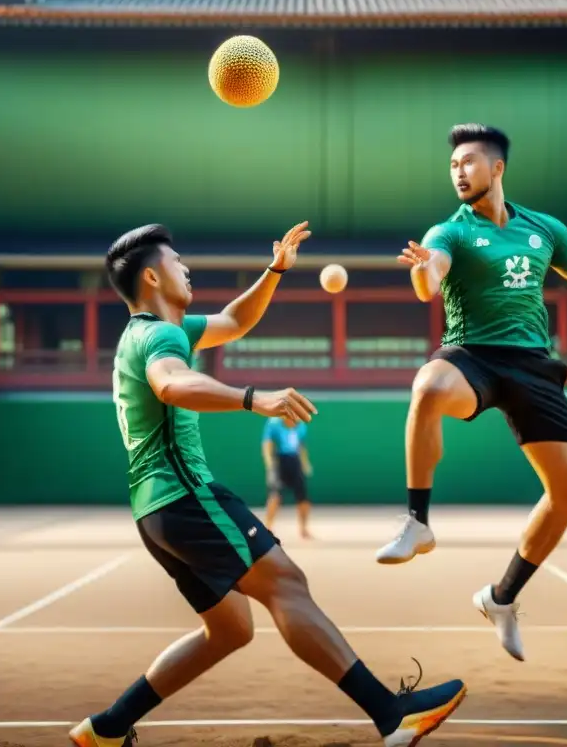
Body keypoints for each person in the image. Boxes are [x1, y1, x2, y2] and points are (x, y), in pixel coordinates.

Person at [69, 222, 466, 747]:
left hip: (154, 511)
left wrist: (274, 270)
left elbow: (235, 320)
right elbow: (170, 383)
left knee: (230, 630)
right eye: (176, 261)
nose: (185, 268)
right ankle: (391, 715)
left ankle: (108, 727)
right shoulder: (161, 336)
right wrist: (252, 397)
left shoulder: (153, 331)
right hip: (185, 494)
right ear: (150, 276)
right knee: (287, 583)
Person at [375, 124, 567, 662]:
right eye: (453, 164)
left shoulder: (544, 230)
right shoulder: (447, 233)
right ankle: (417, 522)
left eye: (469, 162)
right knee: (428, 386)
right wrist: (425, 273)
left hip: (533, 365)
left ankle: (501, 598)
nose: (458, 171)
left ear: (497, 169)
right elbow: (430, 281)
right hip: (471, 355)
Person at [262, 415, 314, 539]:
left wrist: (305, 464)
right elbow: (267, 443)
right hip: (279, 461)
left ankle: (304, 529)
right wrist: (269, 463)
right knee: (275, 495)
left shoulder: (301, 425)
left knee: (303, 497)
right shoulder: (273, 423)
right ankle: (267, 528)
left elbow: (302, 446)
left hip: (295, 461)